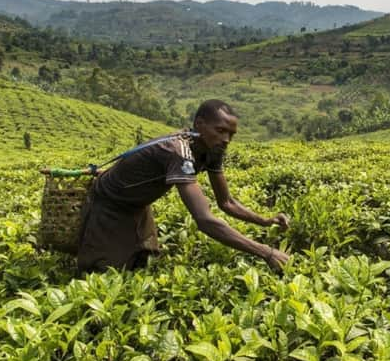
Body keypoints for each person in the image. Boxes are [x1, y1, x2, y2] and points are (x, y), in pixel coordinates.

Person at [77, 99, 290, 273]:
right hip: (109, 206)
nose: (226, 139)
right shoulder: (178, 152)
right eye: (221, 130)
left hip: (138, 206)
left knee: (143, 263)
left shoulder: (211, 149)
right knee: (105, 273)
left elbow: (226, 202)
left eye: (231, 134)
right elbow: (205, 220)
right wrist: (266, 253)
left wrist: (264, 221)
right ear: (199, 124)